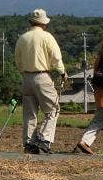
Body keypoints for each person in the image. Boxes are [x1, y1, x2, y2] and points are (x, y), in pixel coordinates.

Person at [14, 9, 66, 154]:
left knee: (30, 113)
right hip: (42, 76)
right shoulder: (47, 37)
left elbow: (17, 60)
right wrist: (62, 72)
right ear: (44, 23)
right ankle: (44, 140)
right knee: (53, 110)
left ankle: (29, 142)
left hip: (26, 77)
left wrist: (24, 70)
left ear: (31, 22)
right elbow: (56, 57)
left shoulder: (22, 38)